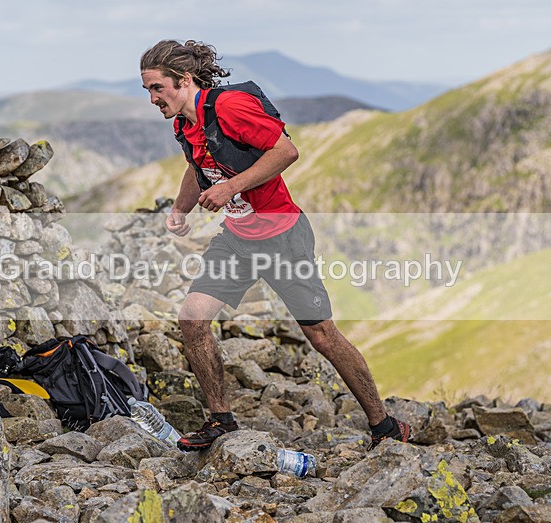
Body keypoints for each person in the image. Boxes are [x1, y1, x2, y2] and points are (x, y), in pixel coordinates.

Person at [140, 39, 410, 451]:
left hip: (282, 235)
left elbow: (286, 151)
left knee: (321, 334)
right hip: (237, 239)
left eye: (158, 88)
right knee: (192, 320)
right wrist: (180, 208)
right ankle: (221, 421)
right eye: (148, 90)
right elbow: (197, 168)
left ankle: (384, 425)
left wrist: (231, 186)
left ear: (185, 80)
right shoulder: (184, 124)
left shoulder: (229, 108)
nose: (153, 99)